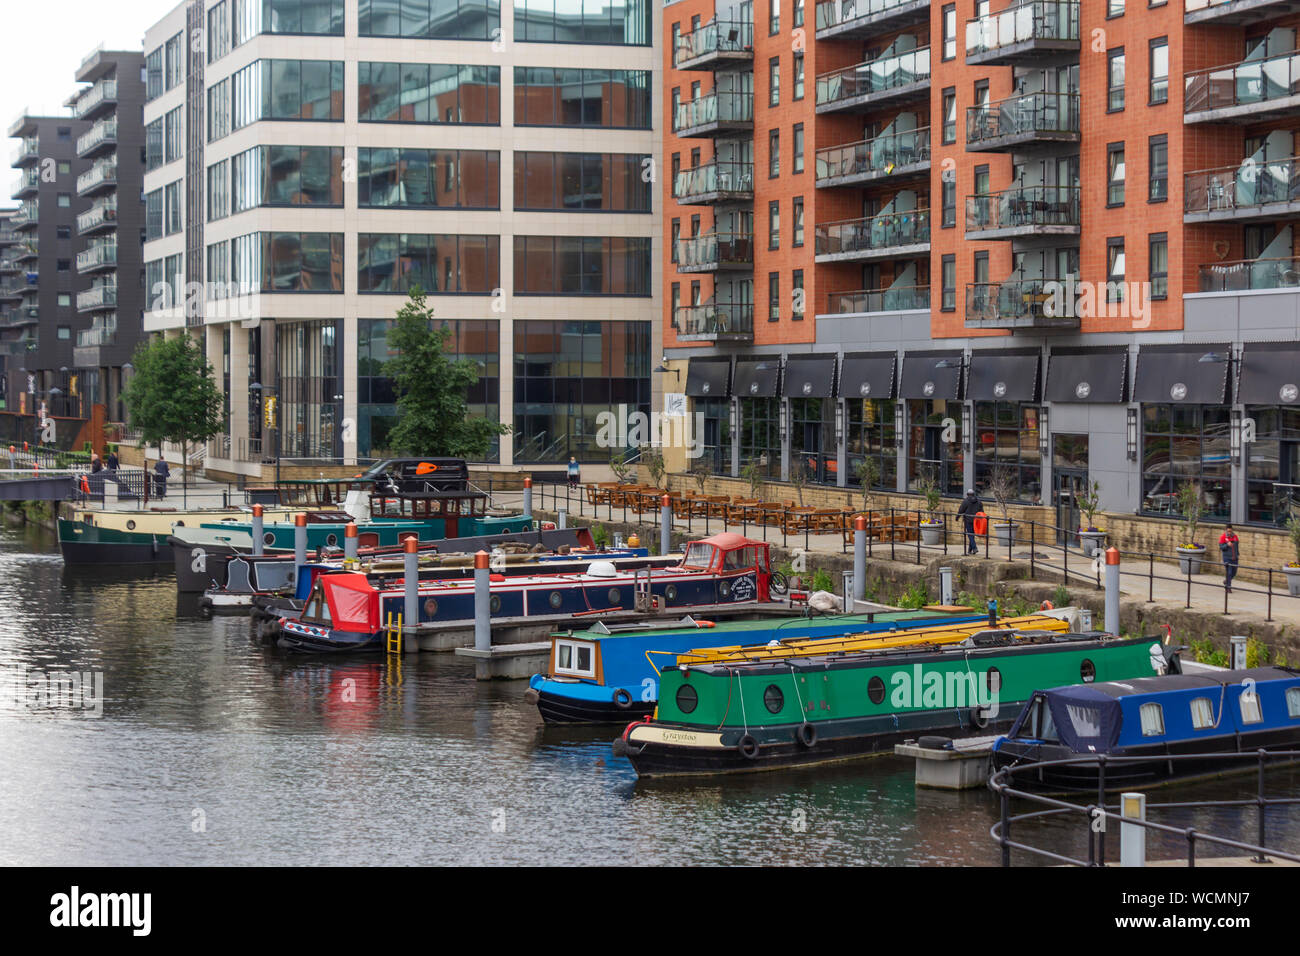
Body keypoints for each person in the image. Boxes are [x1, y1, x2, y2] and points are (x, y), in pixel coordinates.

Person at [956, 488, 984, 555]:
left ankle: (974, 548)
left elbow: (961, 510)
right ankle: (969, 550)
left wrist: (957, 517)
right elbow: (982, 512)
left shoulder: (965, 501)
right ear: (974, 494)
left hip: (968, 520)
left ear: (967, 494)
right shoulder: (979, 502)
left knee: (970, 535)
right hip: (976, 520)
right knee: (972, 535)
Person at [1219, 524, 1240, 592]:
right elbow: (1221, 547)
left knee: (1234, 572)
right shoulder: (1223, 537)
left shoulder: (1235, 537)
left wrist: (1237, 555)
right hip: (1227, 558)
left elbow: (1237, 546)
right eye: (1228, 531)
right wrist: (1227, 545)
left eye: (1230, 531)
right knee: (1229, 572)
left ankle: (1227, 581)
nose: (1229, 533)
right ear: (1226, 530)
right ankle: (1228, 588)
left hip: (1235, 557)